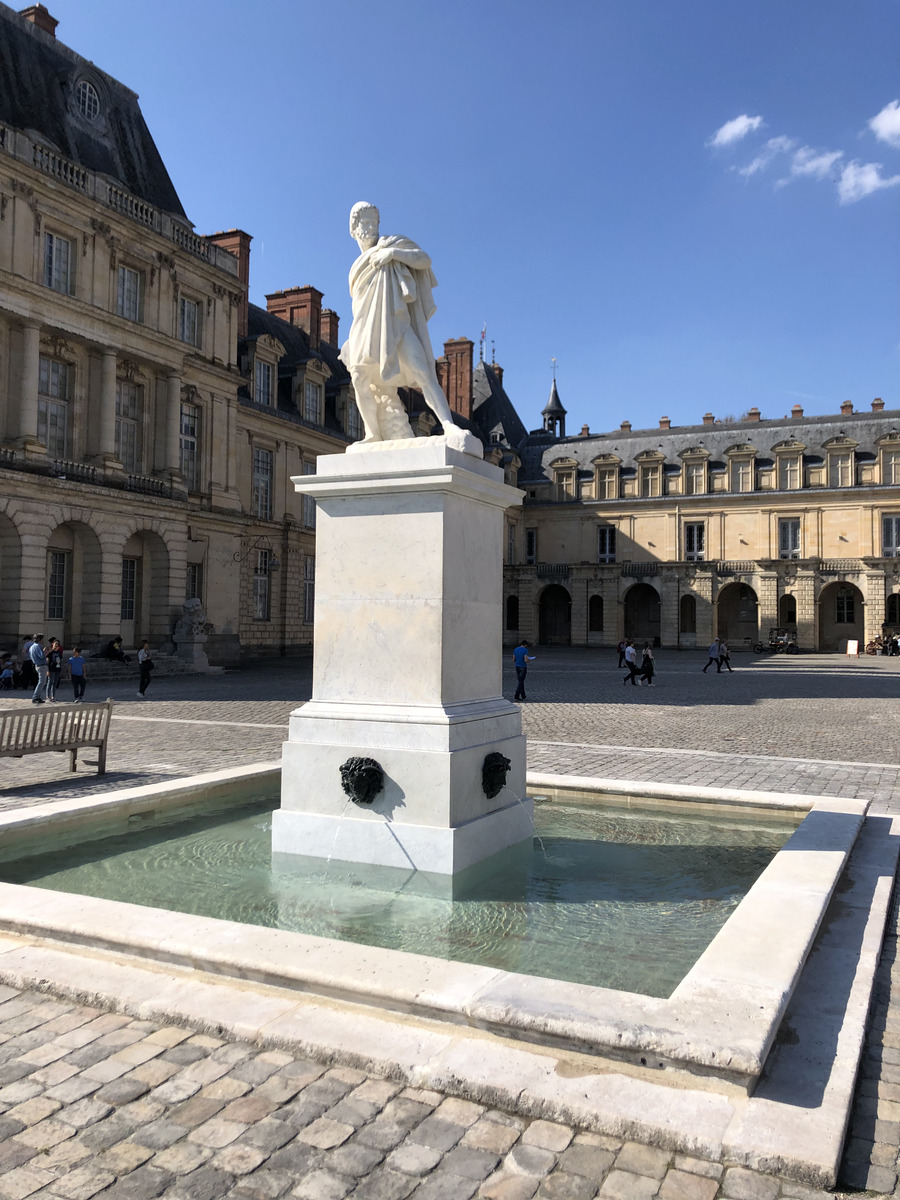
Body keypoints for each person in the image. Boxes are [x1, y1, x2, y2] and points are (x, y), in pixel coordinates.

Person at [341, 202, 471, 449]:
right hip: (364, 327)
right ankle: (372, 433)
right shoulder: (355, 268)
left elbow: (424, 260)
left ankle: (448, 424)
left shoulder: (392, 244)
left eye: (372, 222)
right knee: (359, 377)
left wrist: (392, 255)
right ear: (354, 230)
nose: (369, 228)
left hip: (396, 322)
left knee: (423, 370)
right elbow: (359, 304)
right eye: (363, 224)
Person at [29, 634, 48, 703]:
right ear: (40, 639)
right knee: (42, 682)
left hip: (37, 665)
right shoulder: (38, 646)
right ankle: (36, 697)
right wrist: (46, 651)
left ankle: (37, 696)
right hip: (41, 665)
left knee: (41, 682)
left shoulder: (32, 647)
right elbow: (42, 656)